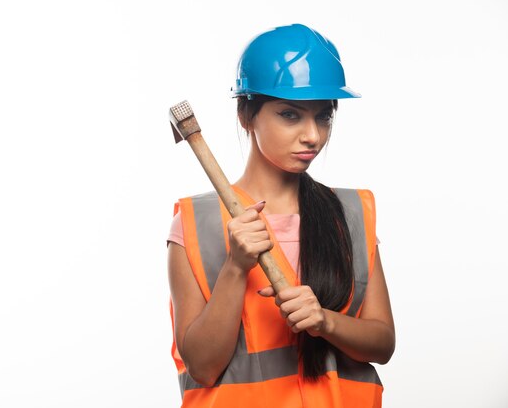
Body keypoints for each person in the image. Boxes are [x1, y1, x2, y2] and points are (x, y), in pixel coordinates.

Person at [167, 23, 395, 408]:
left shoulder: (351, 214)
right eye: (291, 115)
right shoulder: (197, 224)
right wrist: (236, 267)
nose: (313, 136)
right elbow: (202, 368)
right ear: (246, 114)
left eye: (324, 116)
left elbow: (383, 344)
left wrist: (326, 321)